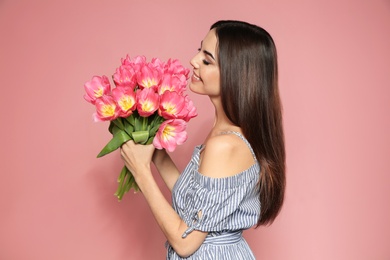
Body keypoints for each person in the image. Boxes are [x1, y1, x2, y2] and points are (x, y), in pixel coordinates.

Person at [120, 20, 286, 259]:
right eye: (199, 51)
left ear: (236, 75)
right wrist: (153, 144)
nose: (194, 61)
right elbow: (194, 205)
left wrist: (140, 171)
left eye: (207, 60)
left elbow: (185, 242)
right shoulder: (224, 132)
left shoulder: (225, 145)